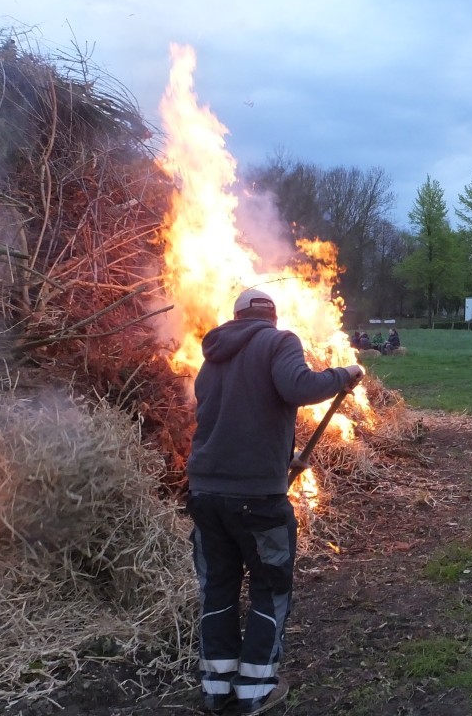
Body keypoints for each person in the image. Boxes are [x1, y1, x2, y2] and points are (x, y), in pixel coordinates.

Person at [186, 288, 364, 715]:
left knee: (218, 588)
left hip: (206, 495)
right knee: (270, 587)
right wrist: (346, 373)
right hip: (257, 500)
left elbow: (231, 417)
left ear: (236, 317)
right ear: (271, 316)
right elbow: (298, 386)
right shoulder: (278, 340)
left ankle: (216, 687)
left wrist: (286, 459)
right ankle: (255, 691)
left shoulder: (212, 356)